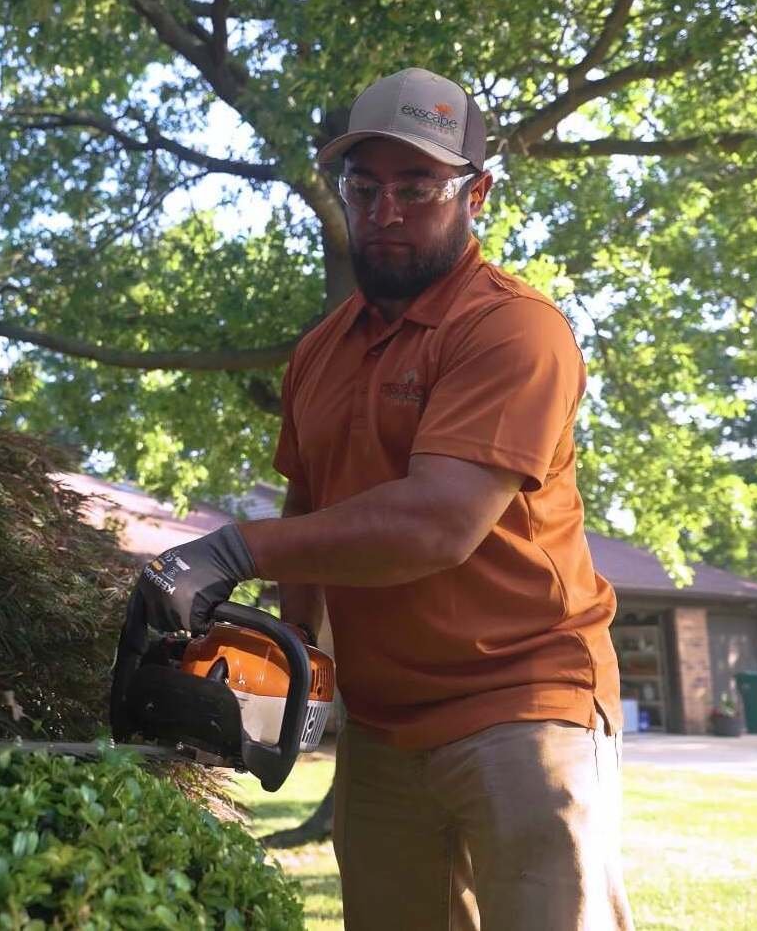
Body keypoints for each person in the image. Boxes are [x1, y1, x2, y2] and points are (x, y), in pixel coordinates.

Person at [133, 68, 633, 931]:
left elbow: (437, 523)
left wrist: (228, 552)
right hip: (381, 723)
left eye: (418, 186)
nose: (387, 209)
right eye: (364, 186)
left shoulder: (513, 329)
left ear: (475, 193)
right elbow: (309, 516)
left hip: (524, 701)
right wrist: (291, 674)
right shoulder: (320, 351)